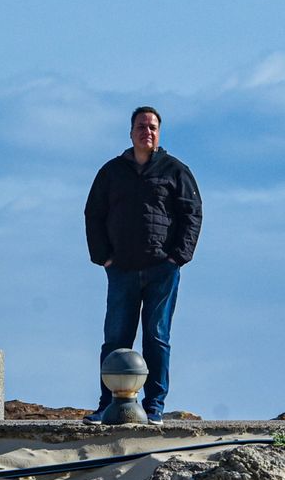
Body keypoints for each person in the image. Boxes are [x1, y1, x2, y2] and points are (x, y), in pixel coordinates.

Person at [83, 107, 202, 424]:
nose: (146, 132)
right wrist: (103, 256)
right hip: (121, 268)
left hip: (162, 270)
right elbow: (93, 213)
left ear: (159, 133)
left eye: (152, 127)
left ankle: (154, 407)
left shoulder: (175, 170)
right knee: (115, 338)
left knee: (156, 336)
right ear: (131, 132)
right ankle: (107, 404)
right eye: (140, 126)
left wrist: (178, 257)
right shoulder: (112, 171)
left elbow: (192, 214)